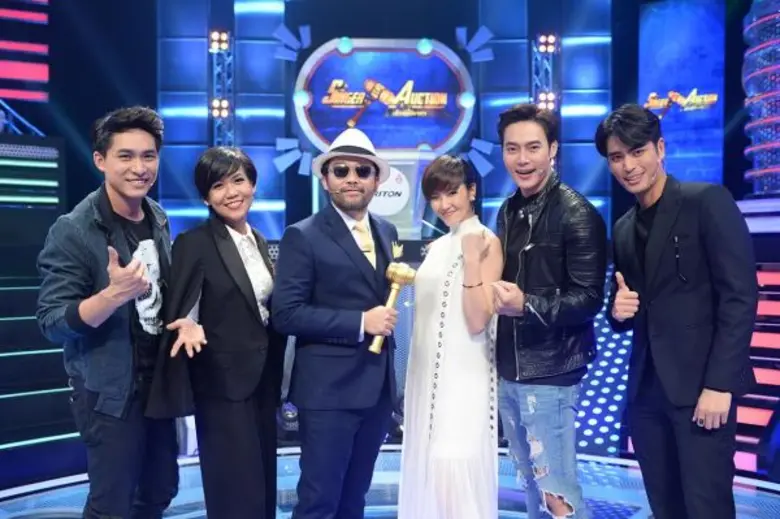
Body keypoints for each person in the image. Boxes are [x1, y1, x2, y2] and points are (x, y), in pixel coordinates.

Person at [597, 103, 758, 519]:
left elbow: (740, 296)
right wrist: (617, 312)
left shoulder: (705, 202)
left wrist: (720, 385)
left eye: (637, 151)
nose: (628, 166)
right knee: (664, 508)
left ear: (660, 148)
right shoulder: (623, 228)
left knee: (706, 508)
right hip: (646, 395)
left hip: (702, 390)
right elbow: (629, 307)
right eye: (617, 157)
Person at [36, 106, 178, 518]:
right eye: (125, 156)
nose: (139, 168)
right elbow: (52, 322)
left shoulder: (157, 216)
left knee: (159, 490)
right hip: (110, 392)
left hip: (157, 383)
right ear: (100, 160)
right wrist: (113, 295)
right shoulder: (74, 229)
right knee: (112, 504)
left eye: (148, 156)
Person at [146, 147, 286, 518]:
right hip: (222, 386)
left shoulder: (258, 240)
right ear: (206, 197)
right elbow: (180, 308)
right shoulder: (194, 243)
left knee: (262, 487)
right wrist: (189, 324)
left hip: (262, 383)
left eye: (238, 180)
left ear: (253, 185)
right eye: (218, 186)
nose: (231, 192)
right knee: (234, 494)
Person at [272, 128, 399, 519]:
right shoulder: (302, 235)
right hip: (328, 396)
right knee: (319, 502)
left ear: (376, 180)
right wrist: (361, 321)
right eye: (341, 170)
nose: (352, 179)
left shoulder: (387, 231)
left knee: (354, 501)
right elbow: (286, 314)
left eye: (362, 171)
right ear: (325, 179)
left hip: (377, 392)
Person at [492, 104, 607, 519]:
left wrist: (526, 304)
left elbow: (589, 299)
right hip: (509, 370)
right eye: (512, 149)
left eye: (533, 147)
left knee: (558, 496)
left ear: (553, 149)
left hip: (551, 372)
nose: (522, 159)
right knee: (532, 490)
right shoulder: (508, 210)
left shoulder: (577, 213)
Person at [397, 155, 503, 519]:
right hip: (426, 381)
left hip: (464, 381)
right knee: (430, 477)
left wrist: (471, 261)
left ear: (472, 191)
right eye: (435, 196)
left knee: (453, 474)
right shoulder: (439, 246)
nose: (444, 204)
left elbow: (477, 320)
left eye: (452, 192)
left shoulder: (486, 242)